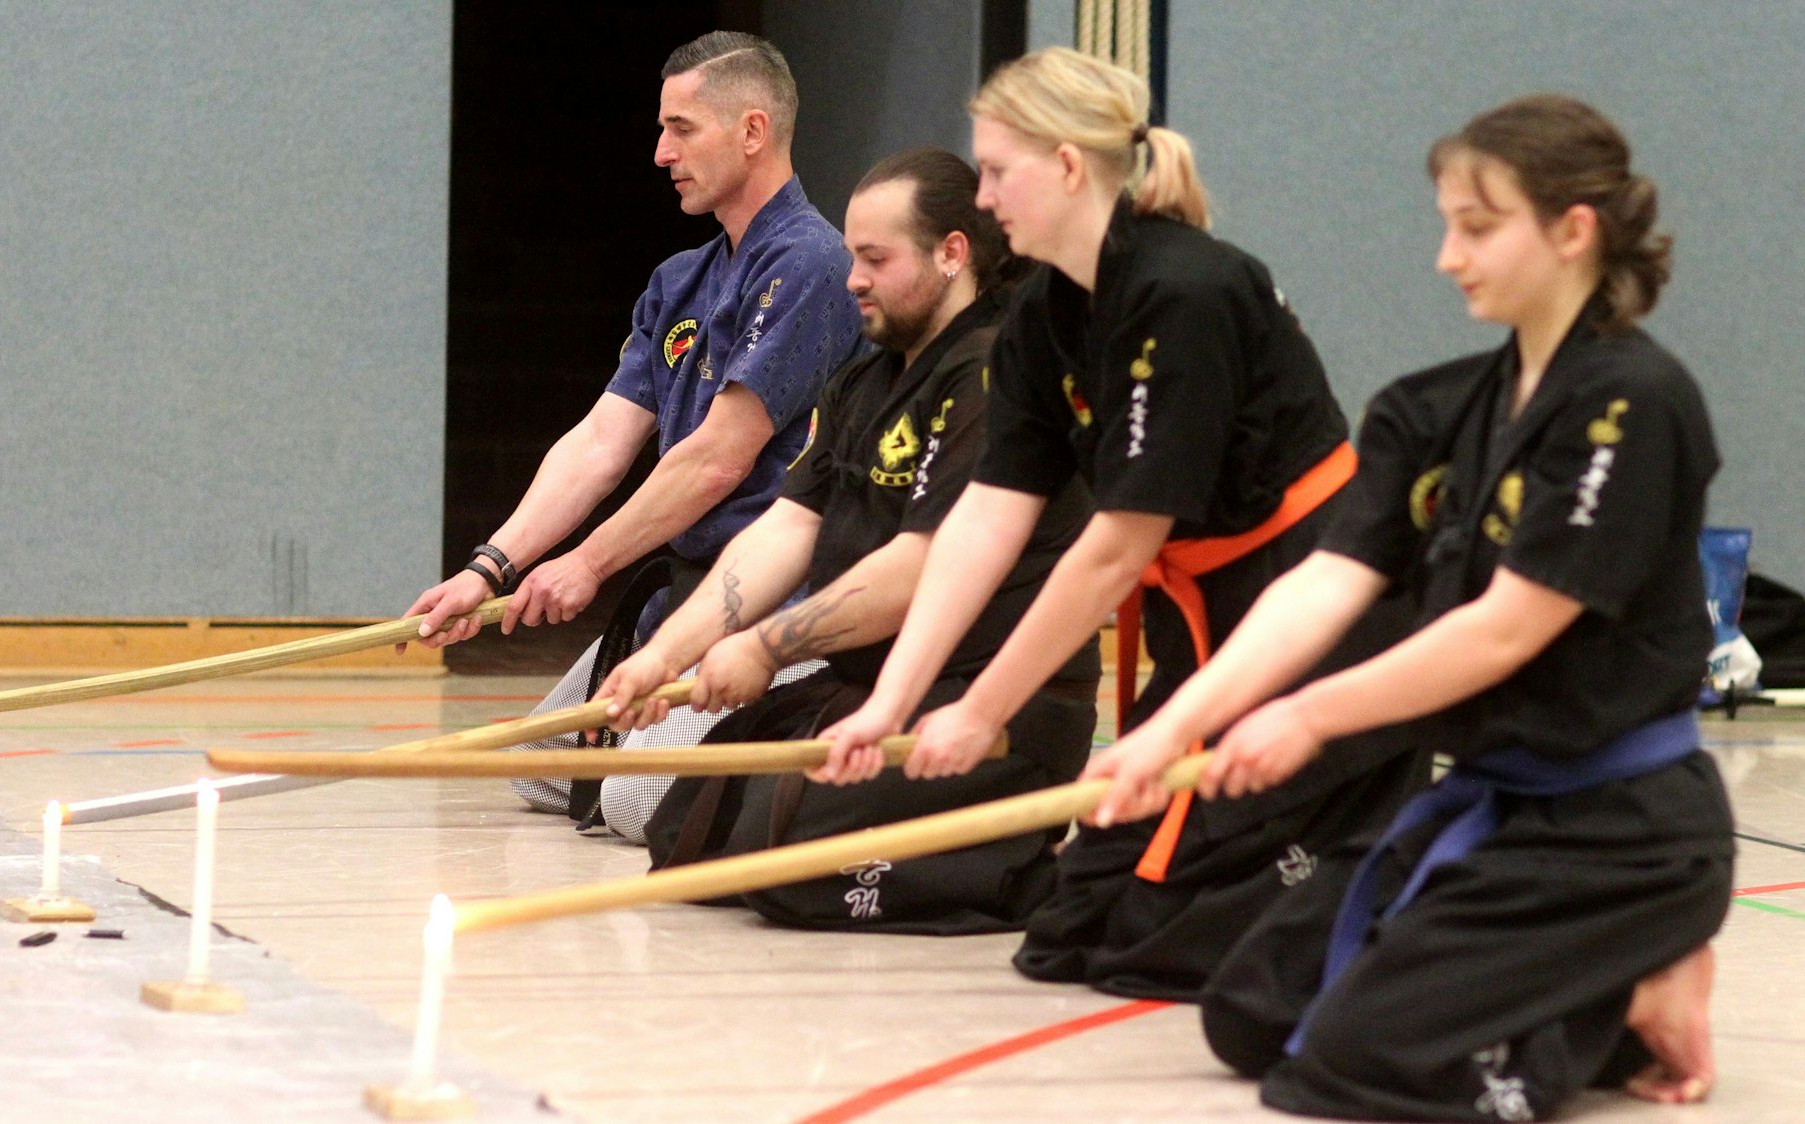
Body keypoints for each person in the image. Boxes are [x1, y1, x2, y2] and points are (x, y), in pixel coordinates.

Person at [1086, 94, 1733, 1118]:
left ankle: (1630, 967)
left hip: (1619, 828)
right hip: (1491, 794)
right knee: (1248, 1014)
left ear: (1574, 230)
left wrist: (1308, 714)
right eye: (1448, 225)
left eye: (1478, 228)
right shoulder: (1430, 408)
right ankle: (1602, 982)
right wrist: (1170, 728)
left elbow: (1507, 627)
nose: (1447, 256)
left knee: (1342, 1065)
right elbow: (1324, 584)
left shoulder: (1630, 405)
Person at [818, 47, 1428, 994]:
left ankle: (1420, 892)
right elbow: (985, 517)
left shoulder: (1187, 293)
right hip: (1203, 631)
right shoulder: (1038, 318)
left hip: (1315, 613)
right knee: (1071, 937)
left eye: (997, 171)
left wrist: (983, 712)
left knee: (1156, 943)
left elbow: (1115, 551)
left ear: (1068, 166)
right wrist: (898, 700)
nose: (983, 199)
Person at [593, 147, 1099, 932]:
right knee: (688, 838)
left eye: (873, 258)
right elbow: (788, 529)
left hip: (984, 707)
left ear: (952, 255)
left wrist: (765, 649)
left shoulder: (996, 378)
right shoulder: (866, 382)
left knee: (786, 873)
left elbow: (921, 565)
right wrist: (664, 656)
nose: (851, 277)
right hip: (868, 693)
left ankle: (1015, 868)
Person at [404, 31, 862, 836]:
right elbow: (598, 442)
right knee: (542, 775)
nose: (660, 152)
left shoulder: (811, 264)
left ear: (752, 131)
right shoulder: (678, 279)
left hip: (769, 595)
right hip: (685, 590)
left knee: (632, 803)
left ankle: (817, 721)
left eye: (681, 128)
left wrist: (587, 562)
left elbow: (719, 461)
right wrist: (492, 567)